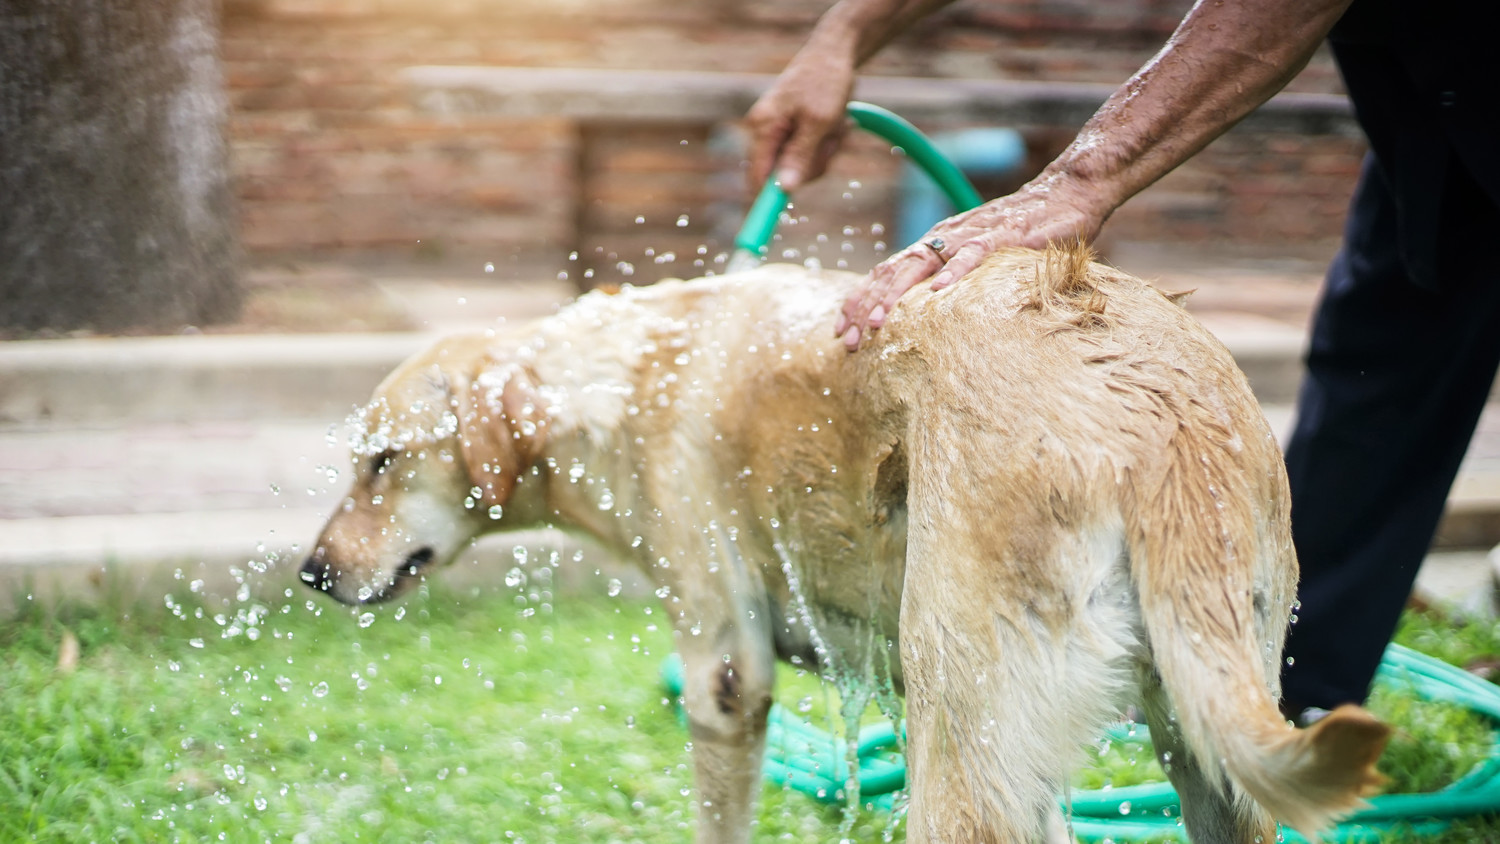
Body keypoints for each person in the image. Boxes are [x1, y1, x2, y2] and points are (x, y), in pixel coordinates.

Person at [746, 0, 1500, 722]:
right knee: (1381, 358)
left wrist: (1082, 180)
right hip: (1427, 91)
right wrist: (842, 35)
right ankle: (1278, 695)